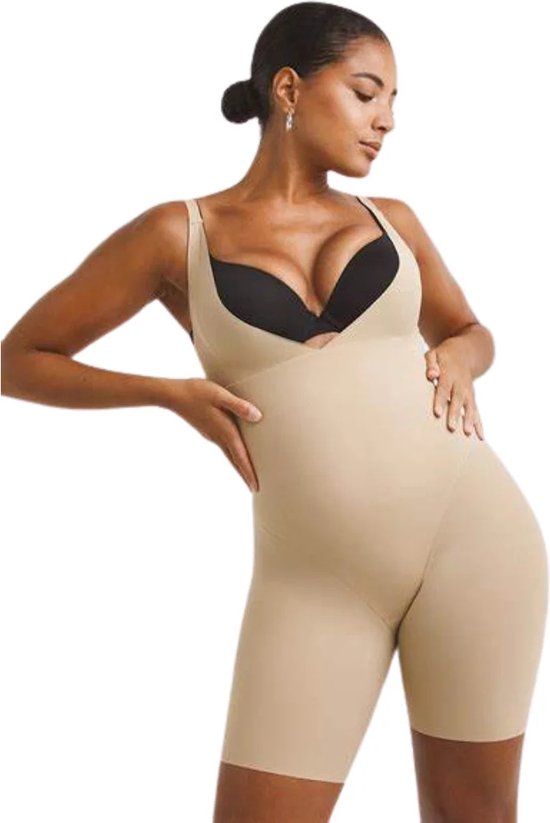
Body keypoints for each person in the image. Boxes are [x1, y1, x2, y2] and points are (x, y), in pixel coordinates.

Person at [2, 3, 547, 821]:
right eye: (366, 93)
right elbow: (19, 359)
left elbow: (471, 329)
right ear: (289, 89)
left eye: (394, 100)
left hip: (480, 543)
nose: (386, 120)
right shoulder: (178, 233)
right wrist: (170, 393)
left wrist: (465, 357)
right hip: (315, 581)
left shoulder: (392, 221)